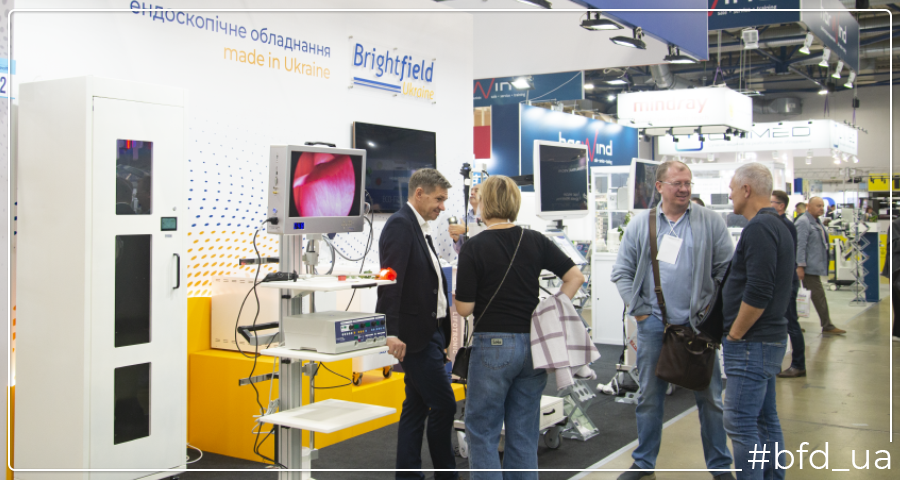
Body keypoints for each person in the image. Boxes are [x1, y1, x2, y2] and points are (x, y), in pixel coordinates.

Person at [454, 175, 584, 479]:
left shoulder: (474, 246)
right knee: (524, 433)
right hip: (534, 345)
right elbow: (575, 276)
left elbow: (464, 309)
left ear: (485, 203)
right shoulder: (535, 239)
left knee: (482, 431)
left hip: (493, 346)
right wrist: (552, 309)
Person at [611, 161, 734, 480]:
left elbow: (726, 270)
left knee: (711, 398)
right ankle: (643, 463)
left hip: (699, 327)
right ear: (660, 187)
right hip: (654, 325)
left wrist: (711, 311)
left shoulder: (709, 221)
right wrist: (639, 310)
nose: (684, 189)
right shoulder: (642, 224)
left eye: (688, 183)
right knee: (649, 397)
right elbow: (621, 272)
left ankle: (720, 466)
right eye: (677, 183)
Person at [376, 168, 458, 480]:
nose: (442, 207)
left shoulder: (419, 226)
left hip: (430, 334)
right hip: (415, 338)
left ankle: (408, 476)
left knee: (415, 407)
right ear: (420, 194)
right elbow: (389, 281)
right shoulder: (401, 225)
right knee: (444, 405)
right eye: (439, 199)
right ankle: (446, 475)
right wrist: (390, 331)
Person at [722, 163, 794, 480]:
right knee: (765, 420)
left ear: (746, 189)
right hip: (766, 340)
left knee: (740, 422)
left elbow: (759, 291)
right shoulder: (776, 225)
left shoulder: (760, 228)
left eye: (732, 189)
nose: (730, 196)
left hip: (752, 342)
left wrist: (735, 335)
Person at [796, 197, 846, 335]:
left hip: (813, 266)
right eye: (818, 205)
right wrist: (800, 266)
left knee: (812, 296)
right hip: (808, 268)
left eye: (822, 206)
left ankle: (793, 324)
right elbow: (800, 245)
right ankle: (827, 325)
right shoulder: (803, 222)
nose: (821, 208)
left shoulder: (817, 221)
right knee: (817, 296)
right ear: (809, 206)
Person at [770, 190, 807, 378]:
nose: (768, 204)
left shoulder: (785, 225)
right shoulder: (780, 223)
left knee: (791, 323)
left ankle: (798, 364)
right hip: (783, 281)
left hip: (787, 282)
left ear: (781, 205)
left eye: (772, 202)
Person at [449, 184, 481, 254]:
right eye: (471, 190)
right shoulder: (464, 219)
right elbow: (460, 251)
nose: (472, 193)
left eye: (476, 191)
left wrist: (468, 230)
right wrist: (456, 239)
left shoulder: (489, 218)